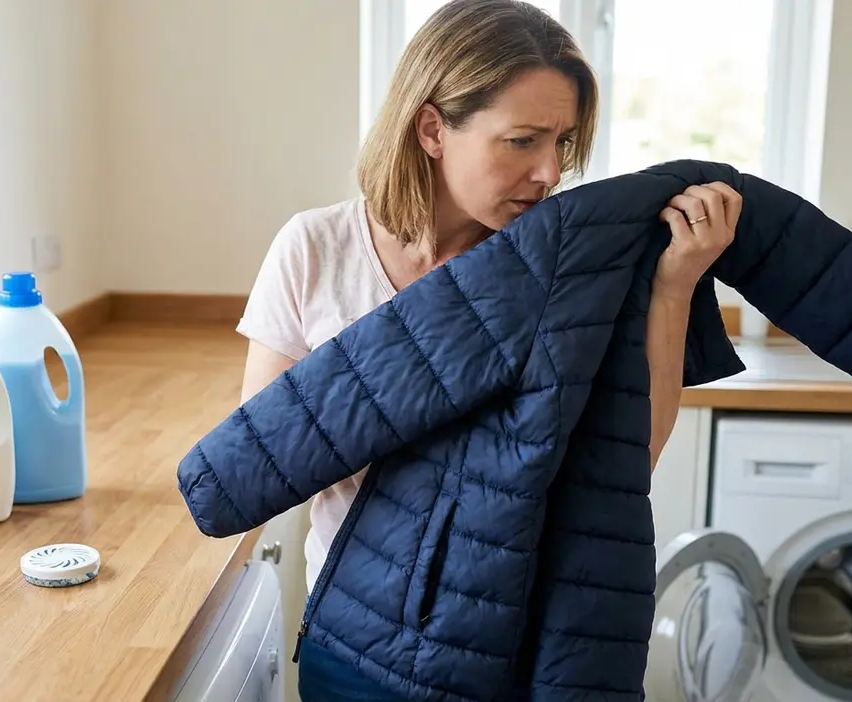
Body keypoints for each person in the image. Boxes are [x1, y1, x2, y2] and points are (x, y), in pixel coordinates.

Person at [235, 0, 742, 698]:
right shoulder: (316, 250)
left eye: (562, 143)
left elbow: (634, 456)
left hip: (523, 651)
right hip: (359, 642)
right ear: (432, 128)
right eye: (522, 141)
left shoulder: (570, 269)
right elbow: (271, 459)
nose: (549, 174)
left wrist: (671, 290)